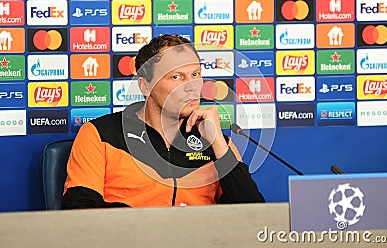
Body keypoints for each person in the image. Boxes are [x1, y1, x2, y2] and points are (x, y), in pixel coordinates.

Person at [62, 34, 265, 209]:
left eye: (195, 74)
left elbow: (253, 217)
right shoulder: (101, 134)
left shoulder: (217, 143)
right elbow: (80, 214)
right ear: (145, 86)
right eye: (176, 77)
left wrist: (218, 143)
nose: (191, 86)